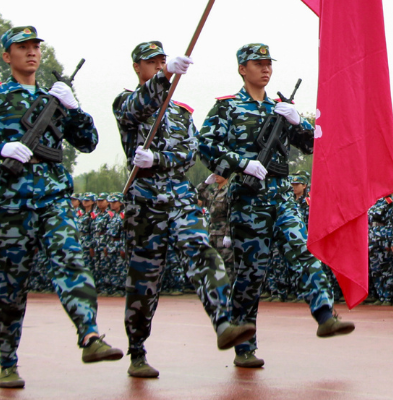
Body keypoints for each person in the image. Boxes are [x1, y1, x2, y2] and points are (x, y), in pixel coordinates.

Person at [0, 26, 122, 388]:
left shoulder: (55, 98)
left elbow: (88, 141)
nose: (31, 52)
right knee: (11, 288)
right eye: (22, 47)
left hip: (53, 198)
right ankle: (8, 362)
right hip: (12, 203)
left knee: (71, 260)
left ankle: (90, 335)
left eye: (35, 47)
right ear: (6, 55)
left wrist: (74, 107)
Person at [196, 43, 355, 368]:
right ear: (243, 68)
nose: (265, 69)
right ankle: (244, 347)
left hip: (282, 196)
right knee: (251, 274)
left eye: (269, 63)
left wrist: (298, 122)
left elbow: (312, 144)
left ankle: (325, 315)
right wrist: (241, 164)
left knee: (301, 250)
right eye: (258, 64)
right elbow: (205, 147)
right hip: (247, 201)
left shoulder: (279, 108)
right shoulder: (227, 108)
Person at [111, 41, 253, 377]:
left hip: (179, 196)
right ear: (138, 68)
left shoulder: (181, 113)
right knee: (145, 281)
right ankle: (137, 350)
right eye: (153, 63)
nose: (161, 66)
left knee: (201, 251)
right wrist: (162, 79)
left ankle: (223, 322)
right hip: (143, 201)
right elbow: (136, 106)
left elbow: (189, 153)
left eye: (164, 61)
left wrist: (159, 159)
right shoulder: (128, 103)